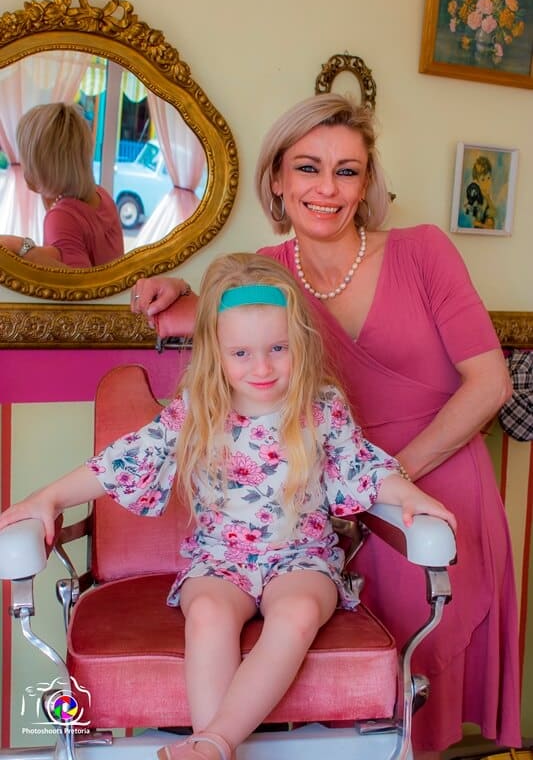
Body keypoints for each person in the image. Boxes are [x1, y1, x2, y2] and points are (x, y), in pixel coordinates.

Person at [130, 93, 521, 759]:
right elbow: (235, 325)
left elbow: (491, 384)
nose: (327, 188)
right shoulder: (270, 273)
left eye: (347, 171)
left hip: (428, 488)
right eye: (308, 168)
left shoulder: (423, 251)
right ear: (278, 181)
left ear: (366, 185)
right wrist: (181, 290)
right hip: (325, 512)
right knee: (343, 712)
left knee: (417, 710)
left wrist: (384, 480)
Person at [0, 252, 455, 760]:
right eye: (241, 353)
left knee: (298, 612)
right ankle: (214, 749)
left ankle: (213, 745)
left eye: (278, 348)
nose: (262, 367)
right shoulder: (199, 410)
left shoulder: (321, 406)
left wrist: (409, 493)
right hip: (219, 558)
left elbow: (362, 467)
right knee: (209, 614)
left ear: (300, 342)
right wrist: (48, 497)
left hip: (302, 558)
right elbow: (123, 461)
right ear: (215, 351)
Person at [0, 102, 124, 267]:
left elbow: (72, 280)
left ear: (40, 166)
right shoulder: (101, 195)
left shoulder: (62, 217)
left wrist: (21, 246)